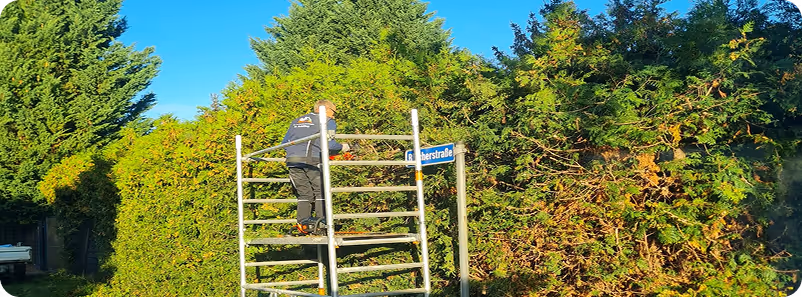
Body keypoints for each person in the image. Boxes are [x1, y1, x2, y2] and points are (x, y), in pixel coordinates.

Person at [282, 100, 350, 233]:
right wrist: (344, 147)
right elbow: (329, 145)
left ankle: (303, 226)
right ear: (326, 109)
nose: (334, 115)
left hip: (292, 161)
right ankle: (321, 225)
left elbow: (285, 142)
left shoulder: (296, 121)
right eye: (334, 112)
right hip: (312, 161)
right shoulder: (327, 121)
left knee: (304, 194)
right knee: (321, 191)